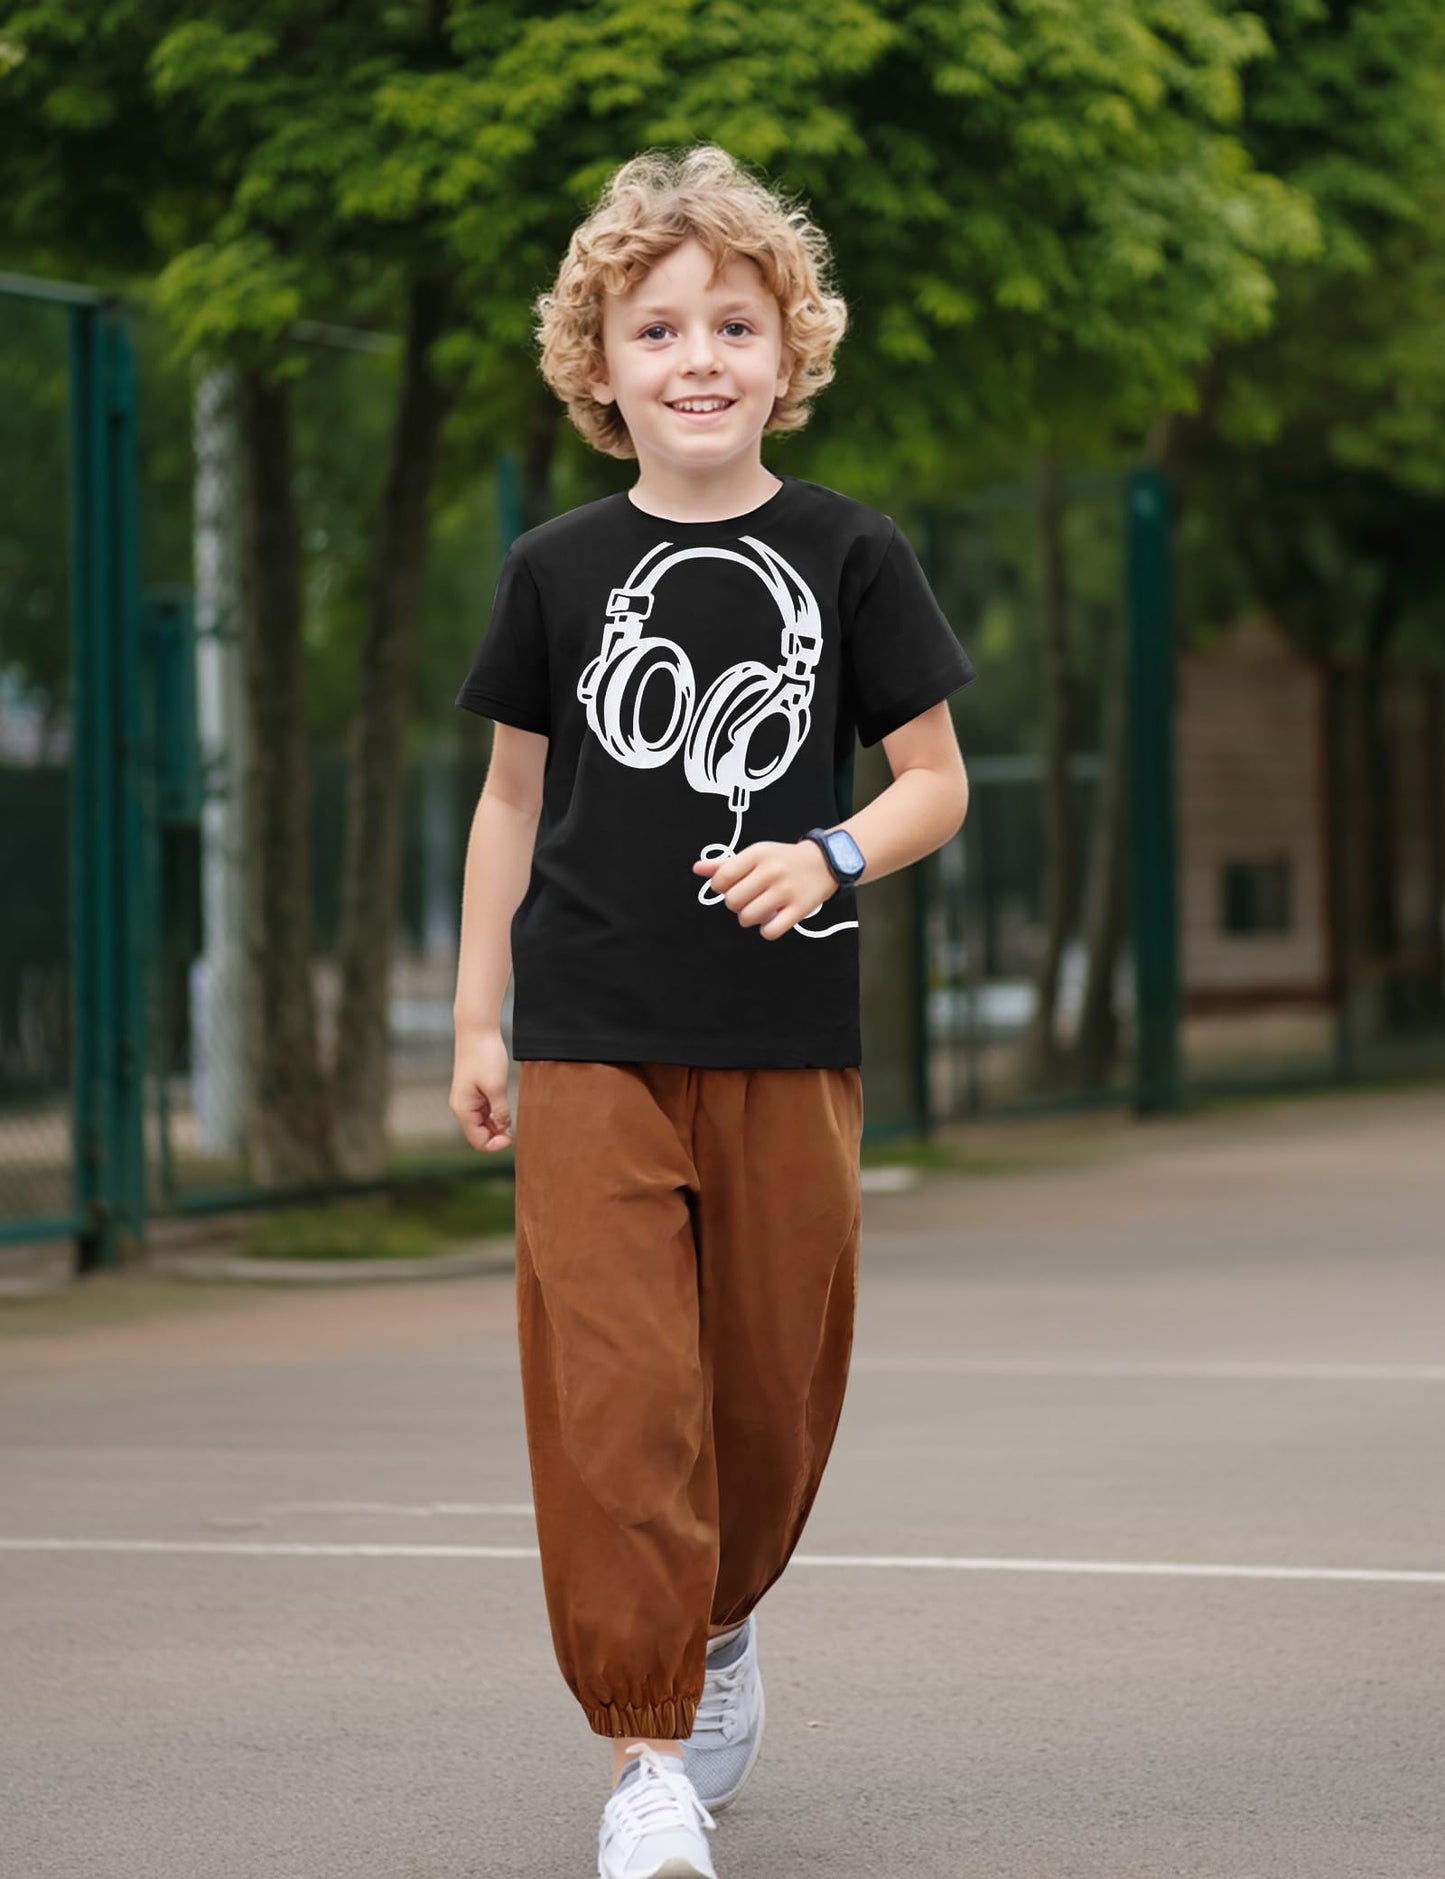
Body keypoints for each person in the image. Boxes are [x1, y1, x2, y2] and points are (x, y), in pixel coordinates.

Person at [449, 143, 976, 1879]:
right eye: (655, 326)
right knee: (619, 1403)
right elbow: (512, 805)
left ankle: (722, 1613)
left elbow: (932, 783)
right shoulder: (551, 567)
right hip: (586, 1036)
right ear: (597, 366)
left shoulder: (851, 553)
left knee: (763, 1398)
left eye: (730, 324)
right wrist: (474, 1020)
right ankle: (645, 1759)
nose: (694, 356)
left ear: (786, 352)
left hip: (781, 1049)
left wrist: (826, 852)